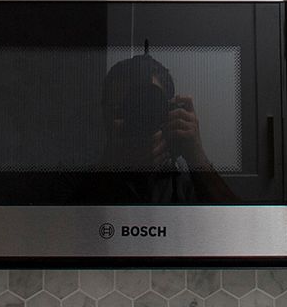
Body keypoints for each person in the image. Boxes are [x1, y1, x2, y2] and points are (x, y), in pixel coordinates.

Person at [100, 52, 235, 203]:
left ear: (168, 111)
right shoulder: (77, 176)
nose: (138, 118)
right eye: (121, 108)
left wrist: (196, 156)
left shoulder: (187, 182)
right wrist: (110, 167)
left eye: (147, 106)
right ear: (104, 115)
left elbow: (234, 223)